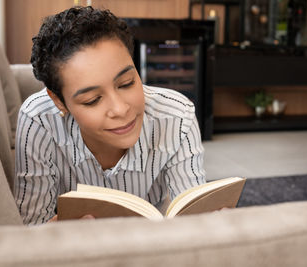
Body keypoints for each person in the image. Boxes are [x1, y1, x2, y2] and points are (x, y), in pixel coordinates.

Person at [14, 6, 206, 225]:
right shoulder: (38, 120)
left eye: (127, 83)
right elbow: (31, 228)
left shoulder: (177, 115)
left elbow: (194, 217)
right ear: (59, 101)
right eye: (92, 100)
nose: (120, 109)